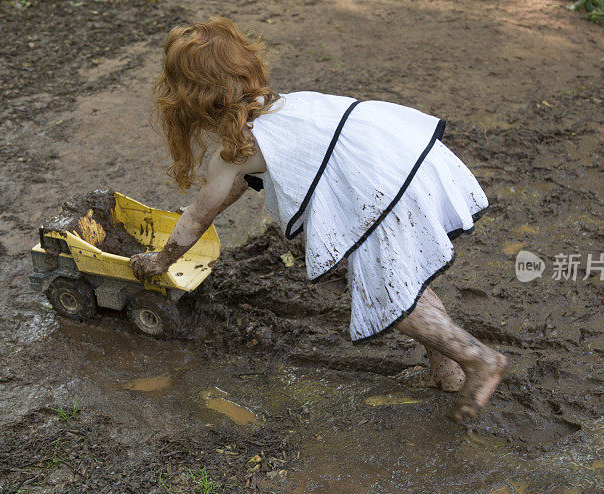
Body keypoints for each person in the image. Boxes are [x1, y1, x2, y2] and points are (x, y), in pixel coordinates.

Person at [129, 17, 507, 423]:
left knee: (392, 296)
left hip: (384, 193)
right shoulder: (286, 107)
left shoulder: (236, 153)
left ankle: (479, 359)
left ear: (190, 100)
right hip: (408, 162)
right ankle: (446, 371)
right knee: (405, 277)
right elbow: (237, 186)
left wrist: (160, 261)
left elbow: (200, 214)